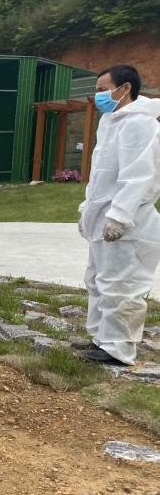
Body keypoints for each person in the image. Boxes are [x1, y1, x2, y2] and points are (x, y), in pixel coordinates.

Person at [76, 64, 160, 367]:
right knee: (98, 279)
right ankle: (100, 337)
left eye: (102, 89)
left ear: (124, 89)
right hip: (103, 217)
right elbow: (101, 175)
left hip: (128, 221)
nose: (97, 95)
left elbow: (138, 174)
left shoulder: (139, 123)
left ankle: (119, 347)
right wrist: (88, 210)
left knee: (122, 284)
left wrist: (120, 215)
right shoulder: (112, 120)